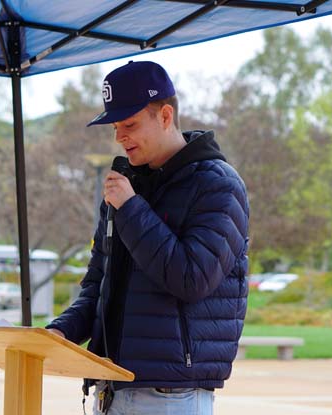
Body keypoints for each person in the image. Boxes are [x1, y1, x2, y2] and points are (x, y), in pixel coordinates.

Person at [46, 60, 250, 415]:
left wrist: (131, 209)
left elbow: (192, 278)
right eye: (114, 126)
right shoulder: (126, 189)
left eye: (129, 124)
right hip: (111, 388)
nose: (118, 136)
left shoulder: (218, 185)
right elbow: (99, 285)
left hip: (171, 396)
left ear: (165, 116)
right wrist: (58, 334)